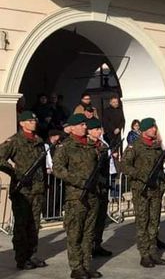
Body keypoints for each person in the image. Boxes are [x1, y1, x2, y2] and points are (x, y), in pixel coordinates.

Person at [53, 114, 102, 278]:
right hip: (76, 197)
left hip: (92, 195)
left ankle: (86, 266)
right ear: (72, 127)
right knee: (75, 233)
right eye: (81, 125)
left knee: (89, 233)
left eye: (85, 125)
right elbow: (58, 169)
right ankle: (76, 267)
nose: (84, 127)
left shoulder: (91, 145)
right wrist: (78, 180)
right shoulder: (65, 146)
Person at [0, 111, 48, 270]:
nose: (33, 122)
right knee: (21, 224)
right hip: (22, 190)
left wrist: (44, 184)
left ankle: (32, 255)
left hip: (37, 188)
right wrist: (14, 172)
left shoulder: (39, 140)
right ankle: (21, 258)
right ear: (22, 123)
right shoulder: (15, 141)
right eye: (29, 120)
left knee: (34, 223)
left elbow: (40, 165)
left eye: (34, 120)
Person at [122, 118, 165, 267]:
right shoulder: (134, 146)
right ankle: (144, 254)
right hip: (141, 190)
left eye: (154, 127)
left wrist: (162, 184)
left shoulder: (156, 146)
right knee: (143, 222)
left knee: (154, 221)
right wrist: (140, 175)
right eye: (151, 128)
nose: (154, 130)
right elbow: (125, 166)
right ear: (144, 130)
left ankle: (153, 252)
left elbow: (160, 167)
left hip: (155, 189)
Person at [84, 119, 114, 258]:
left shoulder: (103, 145)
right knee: (90, 220)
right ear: (88, 131)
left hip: (102, 186)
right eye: (96, 129)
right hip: (90, 189)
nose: (99, 131)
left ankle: (97, 244)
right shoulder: (84, 145)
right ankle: (87, 248)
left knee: (101, 218)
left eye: (100, 129)